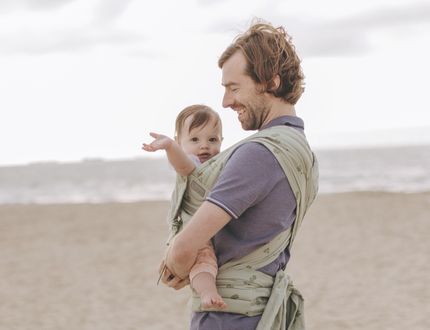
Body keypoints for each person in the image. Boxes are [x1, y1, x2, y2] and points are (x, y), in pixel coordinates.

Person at [159, 19, 319, 330]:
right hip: (265, 316)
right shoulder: (303, 153)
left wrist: (176, 264)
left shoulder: (259, 154)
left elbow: (183, 248)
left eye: (234, 88)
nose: (226, 102)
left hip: (227, 318)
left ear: (270, 83)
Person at [142, 104, 227, 309]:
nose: (204, 146)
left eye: (212, 139)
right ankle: (208, 292)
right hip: (193, 229)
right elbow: (183, 166)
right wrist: (170, 147)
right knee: (203, 261)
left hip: (213, 227)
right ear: (181, 142)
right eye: (195, 139)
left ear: (222, 141)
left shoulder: (219, 164)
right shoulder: (192, 163)